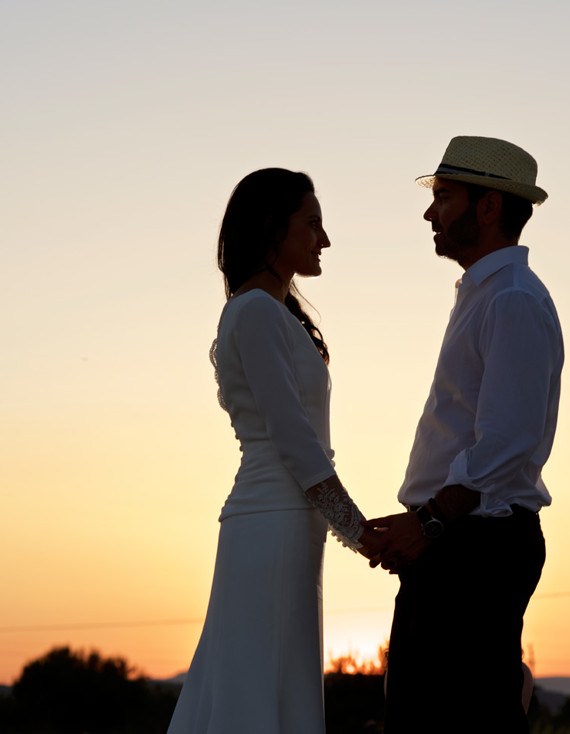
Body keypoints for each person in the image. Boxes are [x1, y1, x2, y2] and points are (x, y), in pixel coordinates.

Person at [168, 168, 383, 734]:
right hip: (271, 522)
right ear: (271, 228)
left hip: (291, 525)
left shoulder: (275, 312)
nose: (325, 239)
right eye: (312, 224)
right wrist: (362, 534)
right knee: (256, 686)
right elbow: (293, 439)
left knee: (273, 683)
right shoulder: (257, 311)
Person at [364, 136, 564, 734]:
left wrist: (426, 525)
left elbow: (505, 443)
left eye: (444, 198)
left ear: (487, 208)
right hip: (458, 541)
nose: (430, 213)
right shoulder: (486, 295)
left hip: (476, 545)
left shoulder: (512, 300)